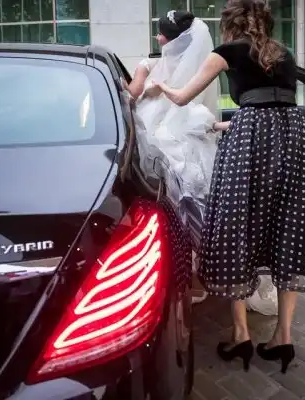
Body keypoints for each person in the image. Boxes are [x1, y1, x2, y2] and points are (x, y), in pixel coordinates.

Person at [155, 0, 305, 373]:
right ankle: (283, 336)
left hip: (249, 144)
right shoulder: (283, 53)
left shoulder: (227, 52)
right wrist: (225, 124)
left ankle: (241, 335)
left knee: (235, 225)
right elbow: (273, 104)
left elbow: (182, 97)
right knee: (290, 228)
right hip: (293, 138)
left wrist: (160, 83)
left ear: (229, 24)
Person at [126, 10, 224, 305]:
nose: (157, 37)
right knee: (196, 204)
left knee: (170, 206)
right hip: (188, 140)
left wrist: (125, 86)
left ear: (170, 38)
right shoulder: (198, 66)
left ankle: (173, 272)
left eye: (160, 33)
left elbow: (131, 94)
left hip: (157, 140)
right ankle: (202, 273)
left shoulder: (148, 64)